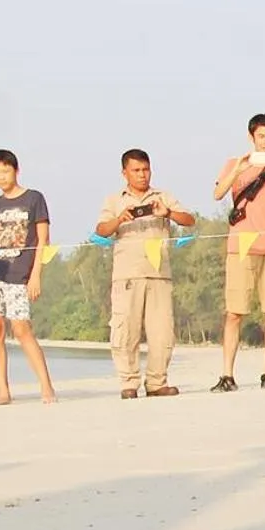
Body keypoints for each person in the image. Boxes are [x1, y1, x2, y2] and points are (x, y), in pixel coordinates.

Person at [94, 150, 196, 399]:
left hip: (159, 273)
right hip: (127, 274)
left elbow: (189, 220)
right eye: (136, 170)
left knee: (162, 331)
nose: (141, 175)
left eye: (145, 169)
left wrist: (167, 213)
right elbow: (101, 230)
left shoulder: (163, 196)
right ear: (124, 173)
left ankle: (157, 382)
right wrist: (120, 219)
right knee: (125, 329)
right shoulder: (114, 199)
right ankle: (129, 382)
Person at [212, 113, 265, 392]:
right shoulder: (234, 164)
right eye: (261, 136)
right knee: (235, 312)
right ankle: (227, 374)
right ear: (251, 138)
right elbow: (218, 194)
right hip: (241, 244)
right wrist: (238, 169)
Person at [0, 149, 57, 405]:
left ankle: (46, 387)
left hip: (19, 273)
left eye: (5, 171)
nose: (1, 177)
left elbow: (43, 240)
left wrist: (36, 275)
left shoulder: (34, 198)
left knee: (21, 328)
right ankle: (2, 390)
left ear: (16, 170)